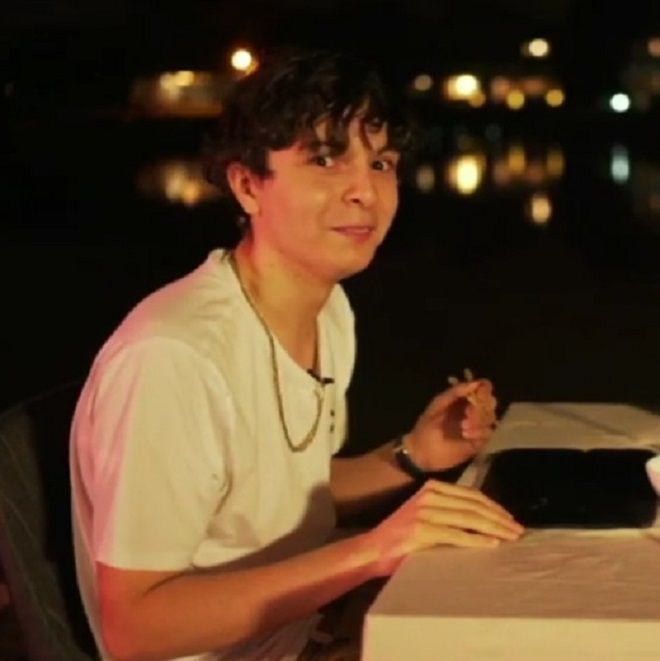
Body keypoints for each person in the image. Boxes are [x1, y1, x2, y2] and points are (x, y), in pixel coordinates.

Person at [68, 49, 524, 661]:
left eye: (381, 162)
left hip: (306, 634)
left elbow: (279, 498)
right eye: (325, 160)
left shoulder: (329, 310)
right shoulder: (174, 357)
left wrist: (414, 455)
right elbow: (136, 628)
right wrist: (372, 551)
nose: (365, 191)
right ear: (247, 185)